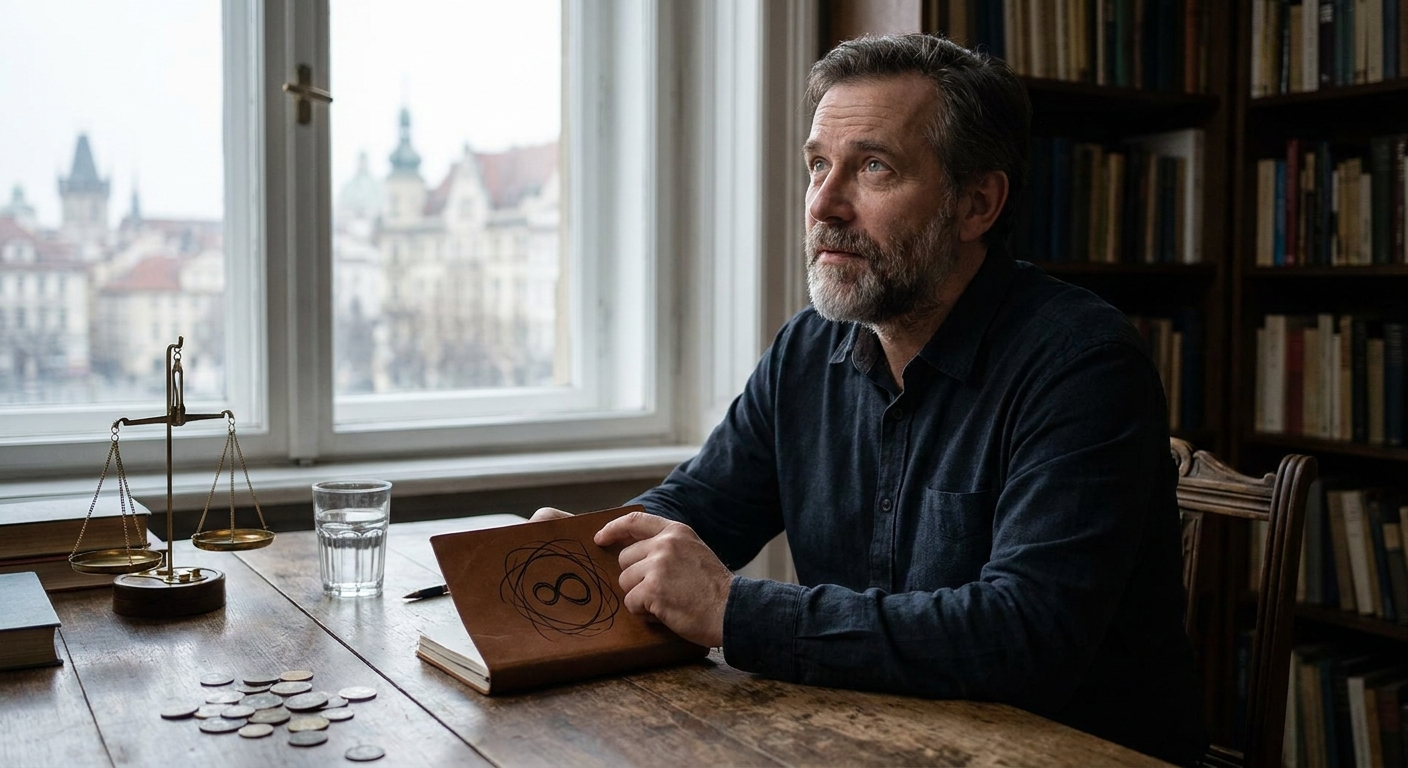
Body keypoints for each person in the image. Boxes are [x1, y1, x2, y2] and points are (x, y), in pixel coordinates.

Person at [534, 34, 1206, 765]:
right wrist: (579, 553)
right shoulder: (807, 349)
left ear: (977, 202)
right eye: (817, 165)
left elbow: (1024, 635)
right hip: (863, 741)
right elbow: (702, 508)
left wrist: (734, 611)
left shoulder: (1084, 363)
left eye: (873, 168)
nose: (824, 203)